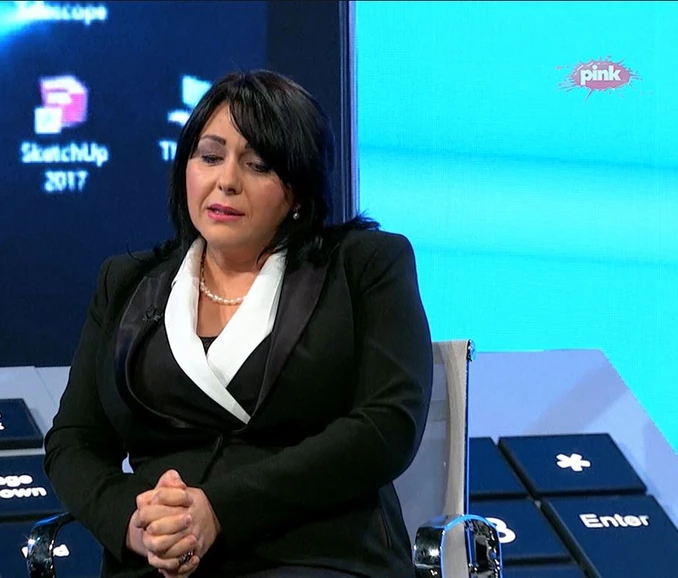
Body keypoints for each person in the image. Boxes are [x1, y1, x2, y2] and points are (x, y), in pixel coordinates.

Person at [43, 70, 433, 578]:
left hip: (319, 557)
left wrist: (220, 510)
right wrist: (134, 523)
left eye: (258, 165)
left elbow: (387, 425)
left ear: (299, 190)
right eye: (210, 157)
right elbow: (74, 440)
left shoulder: (365, 265)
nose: (226, 180)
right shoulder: (124, 282)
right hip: (160, 563)